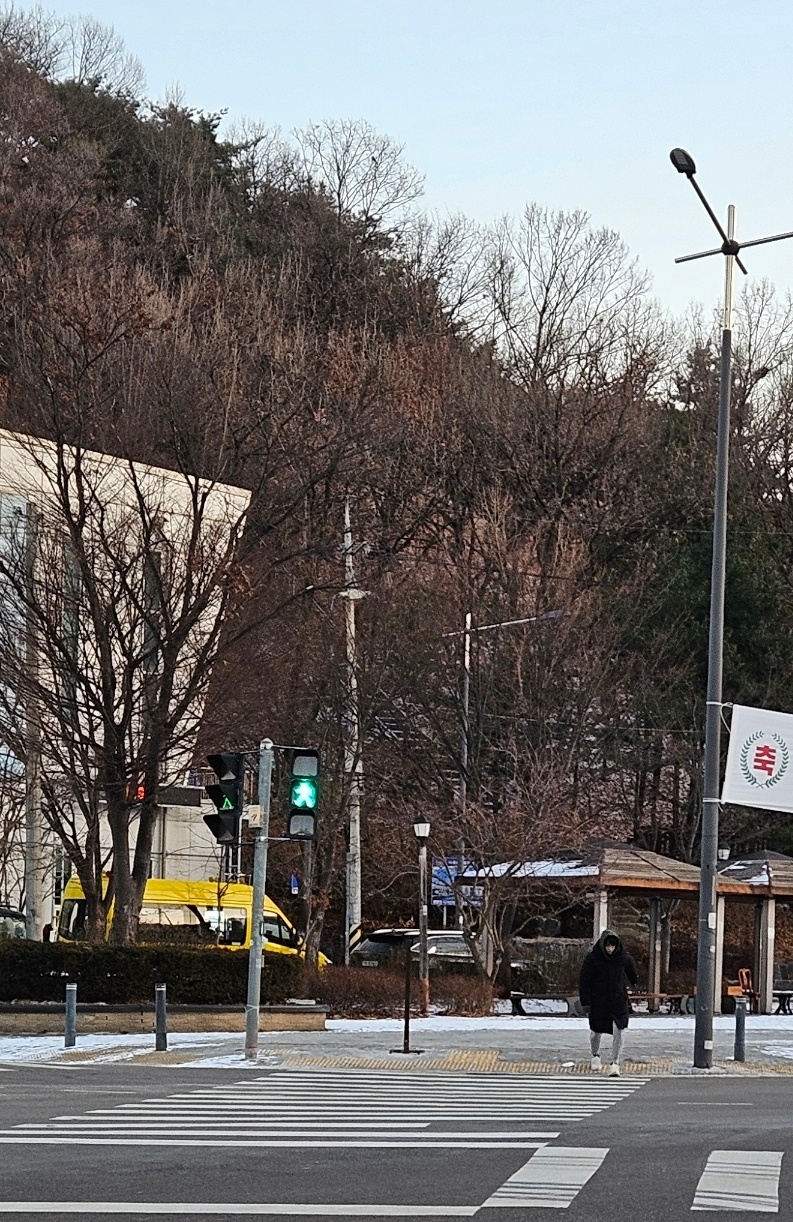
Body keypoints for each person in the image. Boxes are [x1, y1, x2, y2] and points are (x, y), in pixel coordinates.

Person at [578, 928, 638, 1077]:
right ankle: (595, 1055)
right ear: (602, 945)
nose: (610, 949)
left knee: (619, 1030)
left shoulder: (623, 958)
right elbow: (584, 981)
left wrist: (634, 983)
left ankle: (615, 1062)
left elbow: (632, 974)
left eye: (612, 946)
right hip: (598, 1002)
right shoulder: (593, 959)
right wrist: (585, 1001)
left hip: (618, 1001)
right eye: (607, 946)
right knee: (595, 1032)